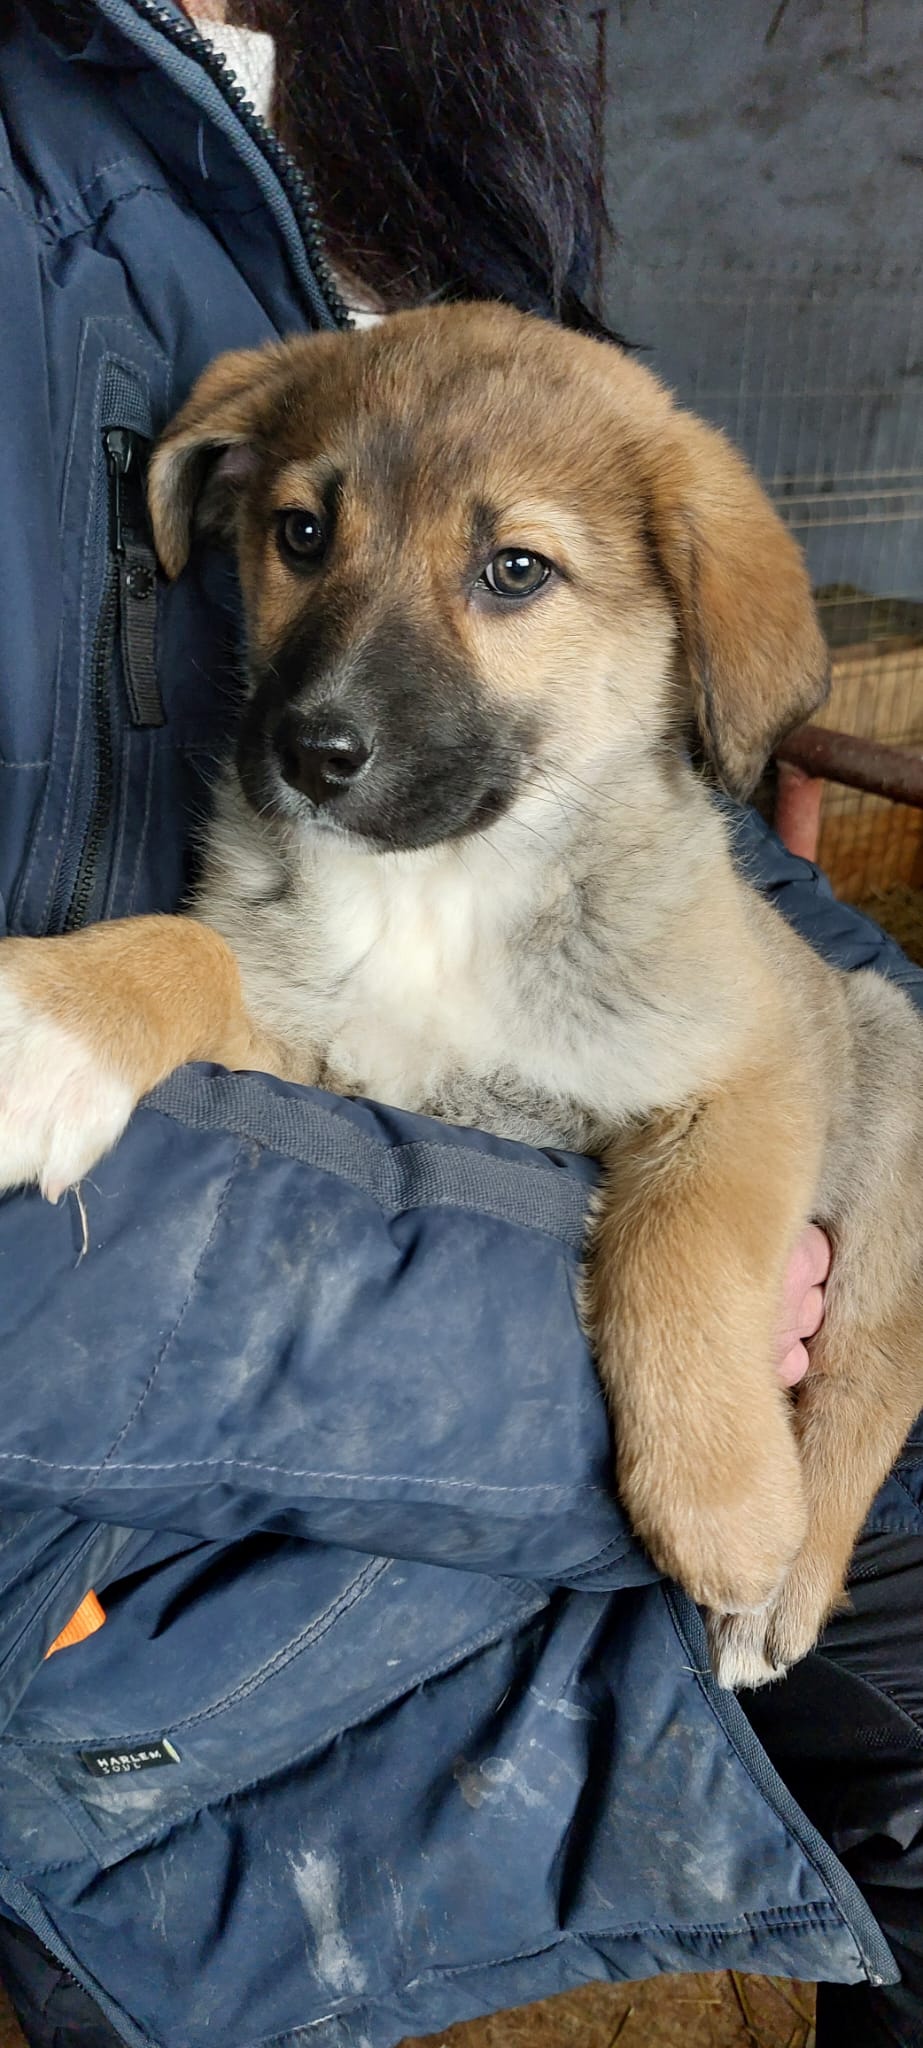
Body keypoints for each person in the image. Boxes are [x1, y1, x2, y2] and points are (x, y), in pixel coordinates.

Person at [0, 6, 921, 2046]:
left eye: (506, 570)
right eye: (305, 541)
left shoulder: (361, 127)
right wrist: (639, 1348)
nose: (338, 688)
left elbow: (729, 933)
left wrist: (759, 1366)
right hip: (169, 1521)